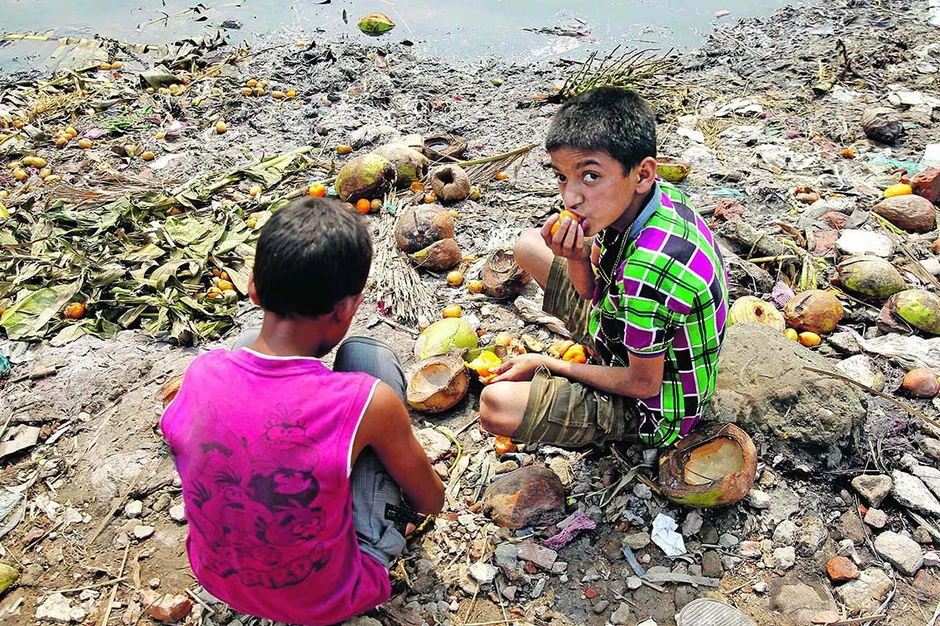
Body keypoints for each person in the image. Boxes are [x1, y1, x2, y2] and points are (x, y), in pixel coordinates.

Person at [160, 197, 444, 626]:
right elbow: (430, 501)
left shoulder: (201, 371)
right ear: (348, 308)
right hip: (329, 599)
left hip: (220, 580)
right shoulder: (370, 401)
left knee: (246, 345)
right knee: (368, 357)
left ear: (253, 287)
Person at [480, 86, 728, 450]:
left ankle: (619, 420)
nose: (570, 197)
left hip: (654, 406)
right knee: (528, 246)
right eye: (562, 176)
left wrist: (550, 364)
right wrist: (576, 257)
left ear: (642, 173)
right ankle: (597, 356)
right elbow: (593, 291)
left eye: (590, 176)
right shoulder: (646, 199)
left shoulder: (650, 268)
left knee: (496, 405)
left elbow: (643, 384)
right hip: (623, 330)